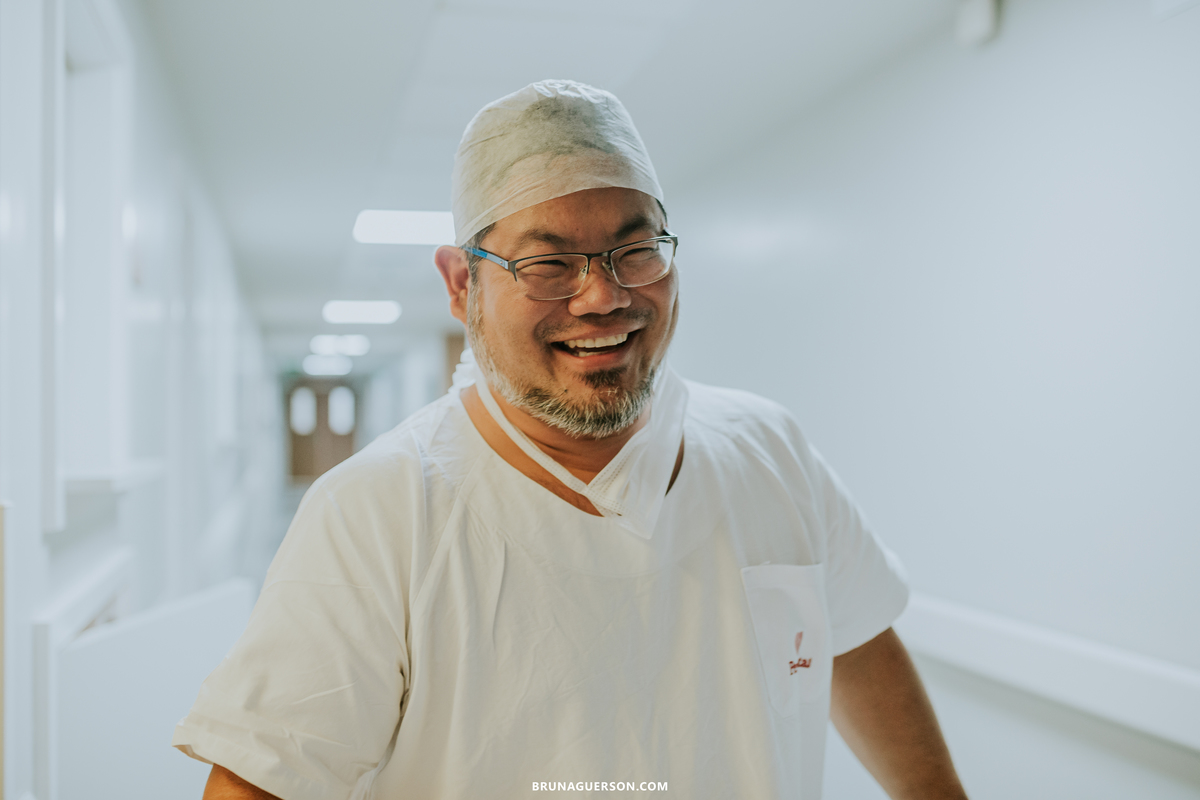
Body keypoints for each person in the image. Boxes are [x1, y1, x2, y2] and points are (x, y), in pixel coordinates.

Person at [175, 79, 968, 800]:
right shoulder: (380, 509)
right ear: (462, 285)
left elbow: (854, 643)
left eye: (636, 250)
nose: (604, 296)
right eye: (548, 262)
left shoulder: (769, 448)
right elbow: (261, 780)